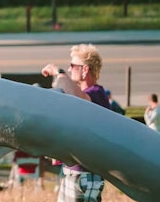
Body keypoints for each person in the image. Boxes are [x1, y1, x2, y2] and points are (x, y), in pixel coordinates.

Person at [41, 43, 111, 201]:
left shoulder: (95, 93)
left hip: (83, 174)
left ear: (85, 69)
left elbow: (74, 94)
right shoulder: (90, 95)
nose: (70, 69)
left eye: (73, 65)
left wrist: (58, 72)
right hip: (83, 173)